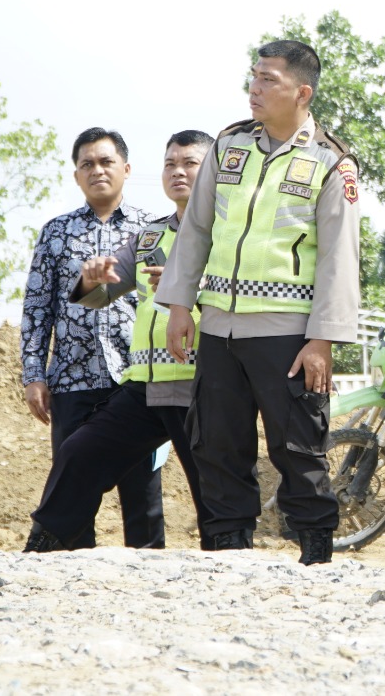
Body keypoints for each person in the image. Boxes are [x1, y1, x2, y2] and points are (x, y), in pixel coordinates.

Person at [156, 40, 361, 564]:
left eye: (269, 80)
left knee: (297, 448)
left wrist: (322, 340)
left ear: (302, 92)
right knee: (218, 447)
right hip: (219, 328)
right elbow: (197, 228)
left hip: (287, 335)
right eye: (254, 76)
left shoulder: (332, 163)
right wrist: (180, 305)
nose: (255, 88)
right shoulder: (229, 146)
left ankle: (315, 552)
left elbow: (340, 257)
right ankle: (229, 553)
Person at [23, 131, 215, 552]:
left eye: (190, 164)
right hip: (142, 384)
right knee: (79, 454)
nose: (178, 172)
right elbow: (96, 297)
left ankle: (230, 558)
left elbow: (244, 294)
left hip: (200, 383)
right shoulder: (150, 237)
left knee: (211, 489)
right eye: (170, 164)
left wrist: (194, 287)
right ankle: (46, 545)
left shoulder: (227, 234)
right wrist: (90, 283)